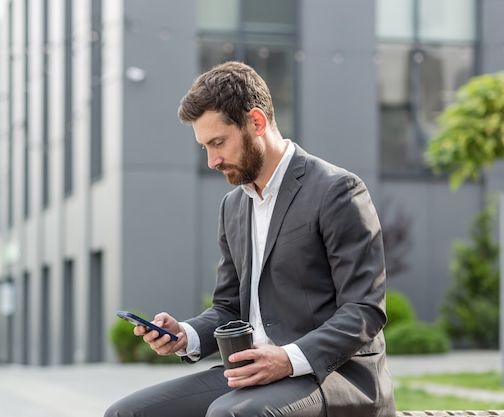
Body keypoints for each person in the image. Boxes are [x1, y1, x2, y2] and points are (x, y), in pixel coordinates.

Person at [104, 61, 396, 417]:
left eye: (218, 143)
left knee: (231, 415)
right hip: (254, 374)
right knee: (127, 413)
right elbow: (228, 308)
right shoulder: (234, 207)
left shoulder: (337, 191)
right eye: (204, 147)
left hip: (335, 376)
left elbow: (363, 309)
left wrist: (287, 359)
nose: (212, 160)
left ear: (256, 122)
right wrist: (185, 335)